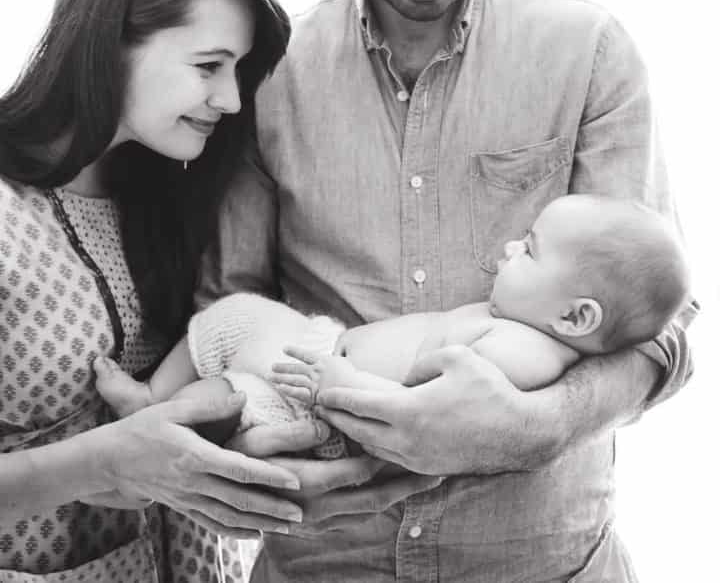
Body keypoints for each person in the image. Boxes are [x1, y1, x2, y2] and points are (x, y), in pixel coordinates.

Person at [196, 0, 697, 583]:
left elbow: (663, 332)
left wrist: (534, 428)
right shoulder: (266, 74)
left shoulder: (590, 56)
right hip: (323, 564)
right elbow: (229, 308)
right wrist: (274, 469)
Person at [0, 0, 363, 582]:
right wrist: (107, 459)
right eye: (208, 66)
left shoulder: (170, 204)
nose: (230, 98)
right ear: (109, 46)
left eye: (240, 71)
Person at [94, 194, 691, 454]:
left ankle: (153, 418)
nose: (511, 247)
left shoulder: (526, 354)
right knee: (231, 315)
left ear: (576, 315)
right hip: (323, 350)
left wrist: (335, 383)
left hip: (325, 405)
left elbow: (422, 407)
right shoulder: (515, 321)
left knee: (230, 399)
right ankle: (152, 394)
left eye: (530, 250)